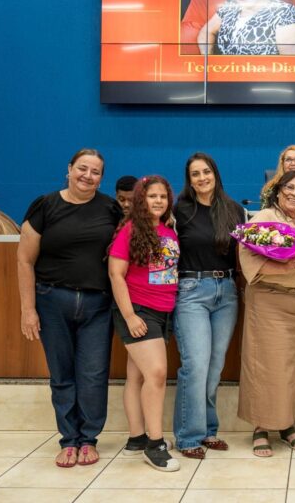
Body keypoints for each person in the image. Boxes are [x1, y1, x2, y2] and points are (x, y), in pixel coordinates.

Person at [16, 149, 123, 468]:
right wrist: (27, 309)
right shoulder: (45, 205)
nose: (87, 176)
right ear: (69, 169)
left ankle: (88, 439)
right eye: (82, 169)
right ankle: (68, 440)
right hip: (51, 301)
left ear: (102, 178)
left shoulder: (110, 208)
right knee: (62, 375)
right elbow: (24, 259)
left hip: (97, 306)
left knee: (93, 374)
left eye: (95, 172)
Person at [172, 153, 246, 460]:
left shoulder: (234, 210)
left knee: (214, 368)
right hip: (191, 291)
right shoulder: (180, 210)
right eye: (195, 174)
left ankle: (208, 431)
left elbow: (243, 254)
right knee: (196, 365)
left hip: (227, 291)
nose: (202, 178)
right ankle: (188, 436)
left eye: (206, 172)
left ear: (215, 173)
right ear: (189, 180)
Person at [237, 170, 295, 457]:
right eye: (289, 188)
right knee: (266, 366)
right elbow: (249, 260)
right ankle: (260, 427)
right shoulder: (263, 219)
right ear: (278, 190)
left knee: (292, 368)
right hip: (271, 302)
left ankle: (286, 424)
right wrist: (283, 267)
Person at [108, 175, 181, 472]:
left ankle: (137, 437)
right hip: (139, 310)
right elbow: (116, 274)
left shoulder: (168, 230)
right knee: (157, 374)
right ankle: (155, 444)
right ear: (141, 199)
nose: (159, 201)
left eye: (163, 196)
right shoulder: (130, 229)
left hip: (163, 312)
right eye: (153, 196)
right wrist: (129, 315)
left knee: (137, 377)